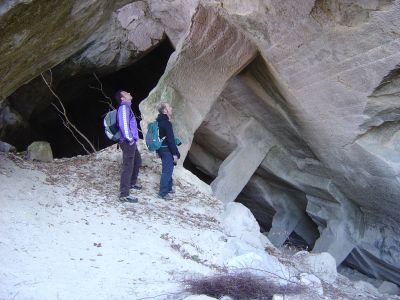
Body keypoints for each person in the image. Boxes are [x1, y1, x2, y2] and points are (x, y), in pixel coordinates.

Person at [115, 90, 142, 203]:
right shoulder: (123, 108)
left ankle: (131, 183)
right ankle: (124, 194)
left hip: (130, 141)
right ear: (122, 98)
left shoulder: (127, 107)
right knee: (128, 166)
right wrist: (130, 139)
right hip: (127, 142)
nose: (129, 93)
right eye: (126, 93)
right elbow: (123, 125)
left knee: (137, 160)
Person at [156, 102, 180, 200]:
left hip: (161, 149)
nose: (171, 108)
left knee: (168, 170)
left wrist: (157, 150)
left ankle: (169, 188)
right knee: (167, 172)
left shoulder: (158, 121)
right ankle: (163, 193)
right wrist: (175, 153)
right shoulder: (166, 123)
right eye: (169, 107)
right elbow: (170, 140)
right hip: (167, 150)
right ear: (165, 110)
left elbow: (157, 137)